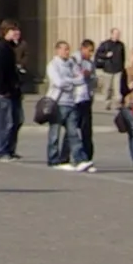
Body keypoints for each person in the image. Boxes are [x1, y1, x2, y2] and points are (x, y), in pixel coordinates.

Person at [45, 40, 92, 170]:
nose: (67, 52)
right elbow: (58, 82)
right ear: (57, 50)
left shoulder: (72, 63)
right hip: (57, 102)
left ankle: (79, 159)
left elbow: (81, 79)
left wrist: (70, 81)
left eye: (68, 49)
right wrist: (73, 82)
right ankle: (53, 159)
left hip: (71, 102)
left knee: (73, 133)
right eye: (64, 49)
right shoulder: (53, 65)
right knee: (55, 133)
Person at [0, 20, 26, 160]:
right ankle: (1, 150)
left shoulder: (12, 47)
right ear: (5, 32)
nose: (17, 33)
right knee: (5, 121)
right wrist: (2, 90)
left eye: (17, 30)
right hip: (3, 92)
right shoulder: (0, 48)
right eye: (13, 30)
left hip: (14, 90)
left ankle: (10, 149)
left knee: (17, 120)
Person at [94, 27, 127, 112]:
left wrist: (122, 67)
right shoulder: (105, 44)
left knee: (117, 88)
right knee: (107, 88)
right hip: (108, 69)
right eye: (115, 34)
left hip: (118, 69)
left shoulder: (121, 45)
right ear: (112, 34)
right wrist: (106, 55)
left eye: (118, 34)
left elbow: (123, 57)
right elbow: (98, 54)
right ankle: (107, 103)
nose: (117, 36)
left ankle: (117, 104)